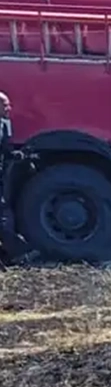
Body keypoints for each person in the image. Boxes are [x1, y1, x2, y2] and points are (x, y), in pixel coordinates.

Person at [0, 92, 32, 262]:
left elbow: (6, 149)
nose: (9, 108)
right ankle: (16, 252)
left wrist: (18, 155)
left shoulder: (4, 124)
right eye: (5, 105)